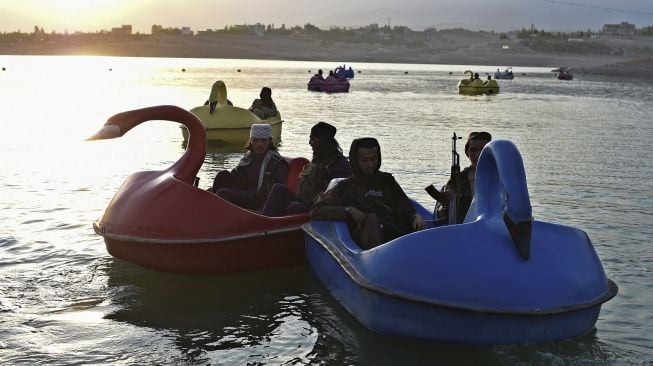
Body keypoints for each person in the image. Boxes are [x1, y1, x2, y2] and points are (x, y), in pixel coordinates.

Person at [310, 137, 427, 250]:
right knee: (371, 219)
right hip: (369, 249)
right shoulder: (344, 187)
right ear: (356, 160)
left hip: (395, 238)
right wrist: (348, 211)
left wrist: (415, 217)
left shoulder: (387, 181)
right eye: (365, 160)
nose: (370, 164)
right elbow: (316, 211)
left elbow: (405, 207)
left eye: (374, 159)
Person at [261, 122, 351, 216]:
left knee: (294, 207)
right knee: (278, 188)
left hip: (318, 207)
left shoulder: (340, 165)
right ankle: (264, 221)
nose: (309, 142)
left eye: (313, 139)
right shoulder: (319, 159)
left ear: (324, 141)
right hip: (304, 200)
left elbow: (337, 196)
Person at [210, 124, 288, 210]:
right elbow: (235, 175)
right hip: (243, 192)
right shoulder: (248, 157)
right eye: (255, 141)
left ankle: (214, 209)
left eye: (263, 141)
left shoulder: (276, 162)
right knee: (222, 175)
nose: (259, 144)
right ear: (251, 141)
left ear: (269, 141)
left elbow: (280, 190)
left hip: (258, 200)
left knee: (222, 193)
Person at [433, 131, 492, 224]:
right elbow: (441, 215)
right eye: (473, 150)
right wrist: (448, 201)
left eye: (482, 150)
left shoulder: (500, 177)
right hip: (464, 229)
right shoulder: (459, 179)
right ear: (467, 152)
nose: (477, 154)